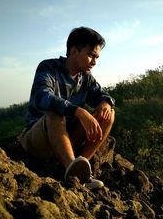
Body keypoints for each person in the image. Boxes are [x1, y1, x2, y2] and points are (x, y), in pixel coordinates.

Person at [20, 27, 115, 189]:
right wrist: (78, 111)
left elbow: (102, 95)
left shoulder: (86, 78)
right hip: (37, 138)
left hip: (67, 138)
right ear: (74, 51)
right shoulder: (48, 67)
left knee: (109, 113)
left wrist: (106, 103)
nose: (94, 62)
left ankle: (79, 171)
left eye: (97, 57)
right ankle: (71, 168)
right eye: (91, 55)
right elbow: (41, 96)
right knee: (55, 112)